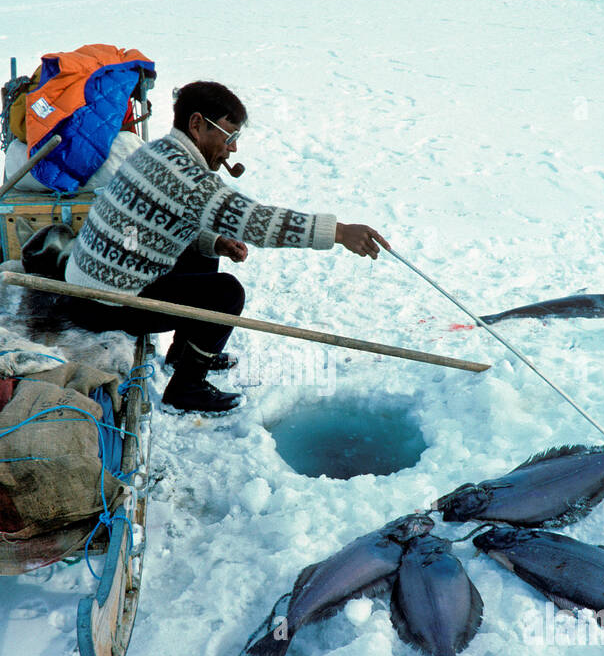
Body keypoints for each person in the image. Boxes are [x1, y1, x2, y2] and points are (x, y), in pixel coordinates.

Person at [62, 80, 389, 412]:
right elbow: (258, 222)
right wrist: (339, 232)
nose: (232, 148)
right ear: (197, 124)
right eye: (228, 136)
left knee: (204, 251)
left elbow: (153, 225)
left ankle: (183, 354)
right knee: (226, 294)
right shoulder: (188, 179)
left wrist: (214, 242)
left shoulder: (156, 152)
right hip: (106, 303)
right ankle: (186, 389)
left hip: (90, 286)